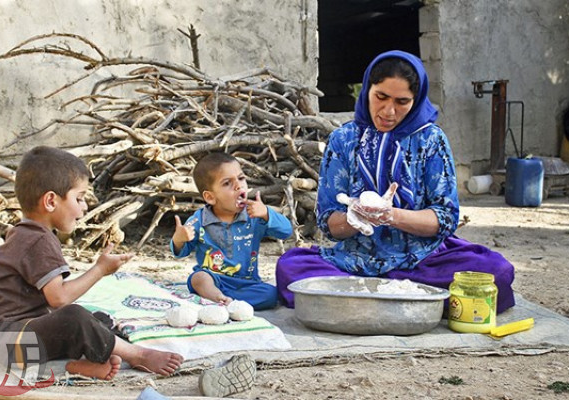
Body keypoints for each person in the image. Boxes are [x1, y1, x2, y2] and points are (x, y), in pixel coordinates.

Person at [275, 50, 515, 313]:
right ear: (367, 89)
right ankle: (407, 300)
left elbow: (445, 218)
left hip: (425, 259)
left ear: (417, 99)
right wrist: (354, 219)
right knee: (291, 267)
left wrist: (392, 216)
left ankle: (362, 301)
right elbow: (329, 223)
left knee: (496, 273)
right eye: (381, 97)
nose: (389, 111)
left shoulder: (431, 140)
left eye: (402, 101)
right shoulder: (343, 140)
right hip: (354, 260)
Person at [0, 146, 184, 381]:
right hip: (11, 347)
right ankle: (137, 354)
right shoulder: (37, 240)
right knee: (75, 318)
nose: (85, 207)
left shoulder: (25, 233)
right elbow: (59, 298)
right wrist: (99, 270)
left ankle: (79, 364)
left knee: (98, 319)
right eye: (79, 198)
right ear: (50, 201)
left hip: (9, 345)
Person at [170, 152, 292, 310]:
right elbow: (181, 252)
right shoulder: (199, 220)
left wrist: (267, 214)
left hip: (248, 282)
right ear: (210, 197)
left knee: (271, 294)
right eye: (227, 183)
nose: (239, 186)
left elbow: (286, 231)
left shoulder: (255, 215)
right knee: (198, 278)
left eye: (241, 178)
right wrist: (179, 239)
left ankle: (222, 301)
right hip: (214, 279)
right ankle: (217, 296)